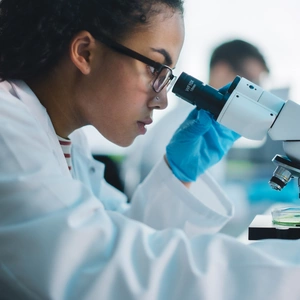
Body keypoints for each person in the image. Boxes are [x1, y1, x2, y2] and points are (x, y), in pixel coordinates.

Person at [1, 2, 300, 300]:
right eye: (155, 68)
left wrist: (176, 174)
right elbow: (113, 271)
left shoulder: (68, 143)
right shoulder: (6, 129)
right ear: (85, 52)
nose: (162, 101)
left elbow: (128, 235)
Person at [122, 38, 270, 198]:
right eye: (251, 82)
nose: (255, 94)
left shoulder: (213, 124)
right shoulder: (187, 124)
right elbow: (184, 202)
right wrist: (249, 196)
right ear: (221, 70)